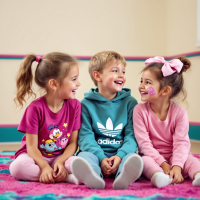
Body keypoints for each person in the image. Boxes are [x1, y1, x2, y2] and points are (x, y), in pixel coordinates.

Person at [71, 51, 143, 190]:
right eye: (115, 71)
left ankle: (124, 175)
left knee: (133, 159)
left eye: (123, 71)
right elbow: (85, 136)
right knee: (84, 157)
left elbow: (131, 135)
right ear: (97, 76)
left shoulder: (130, 103)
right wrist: (100, 158)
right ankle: (93, 175)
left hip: (122, 153)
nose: (121, 75)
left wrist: (120, 156)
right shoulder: (85, 104)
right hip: (95, 154)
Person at [10, 52, 81, 185]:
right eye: (74, 79)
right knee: (17, 168)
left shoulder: (75, 105)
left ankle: (56, 173)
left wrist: (60, 161)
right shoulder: (35, 109)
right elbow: (31, 147)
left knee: (79, 162)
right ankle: (65, 178)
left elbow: (73, 143)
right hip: (34, 156)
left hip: (60, 156)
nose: (79, 83)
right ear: (54, 84)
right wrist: (43, 167)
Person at [133, 56, 200, 188]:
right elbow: (144, 144)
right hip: (152, 156)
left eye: (148, 83)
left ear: (165, 90)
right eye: (141, 81)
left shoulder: (180, 113)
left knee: (191, 160)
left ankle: (198, 175)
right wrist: (162, 164)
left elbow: (181, 143)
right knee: (144, 161)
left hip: (176, 155)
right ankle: (158, 176)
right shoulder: (139, 110)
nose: (141, 86)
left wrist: (177, 166)